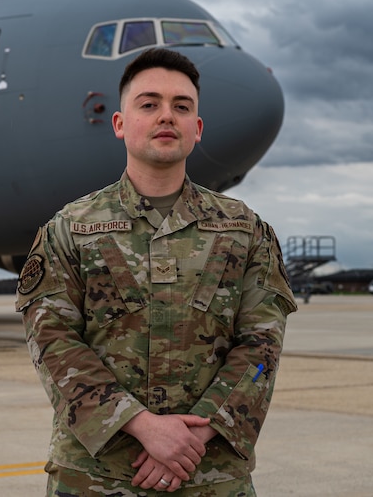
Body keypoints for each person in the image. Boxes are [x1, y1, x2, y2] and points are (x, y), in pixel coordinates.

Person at [15, 47, 297, 496]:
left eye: (181, 107)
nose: (167, 115)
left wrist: (194, 437)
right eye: (149, 104)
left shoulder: (245, 231)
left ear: (197, 129)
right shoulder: (70, 229)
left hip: (210, 475)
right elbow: (52, 343)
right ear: (120, 124)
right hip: (98, 477)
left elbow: (262, 348)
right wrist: (142, 426)